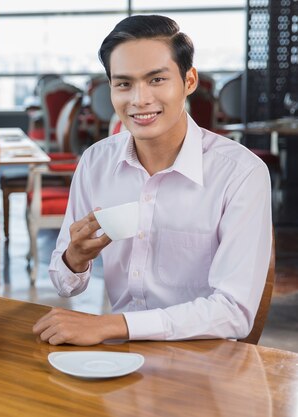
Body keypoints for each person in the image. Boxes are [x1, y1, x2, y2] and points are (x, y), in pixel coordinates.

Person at [33, 15, 272, 345]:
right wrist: (75, 258)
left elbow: (234, 311)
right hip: (120, 360)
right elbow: (65, 284)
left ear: (189, 81)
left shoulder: (240, 173)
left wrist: (114, 326)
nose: (139, 99)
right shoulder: (95, 163)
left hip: (205, 361)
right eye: (124, 84)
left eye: (156, 80)